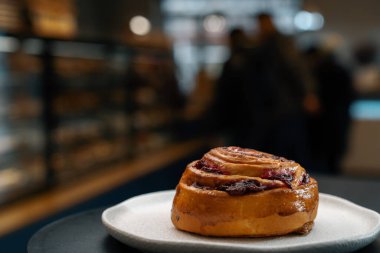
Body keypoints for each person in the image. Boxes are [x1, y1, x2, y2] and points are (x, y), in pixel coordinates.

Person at [304, 46, 354, 174]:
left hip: (325, 121)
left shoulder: (319, 72)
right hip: (339, 118)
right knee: (333, 158)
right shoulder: (341, 69)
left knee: (321, 159)